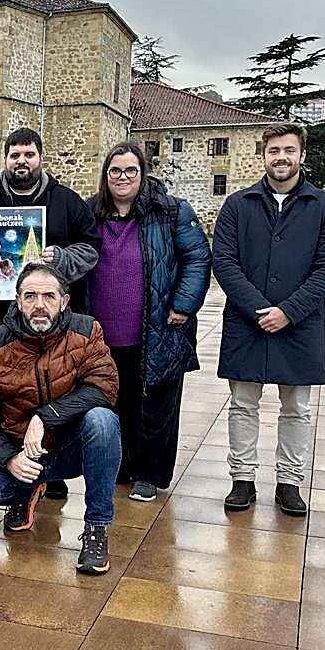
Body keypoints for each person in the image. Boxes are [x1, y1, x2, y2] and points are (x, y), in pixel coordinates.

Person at [0, 127, 101, 496]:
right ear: (6, 159)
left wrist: (62, 260)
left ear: (40, 157)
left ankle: (50, 471)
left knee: (49, 391)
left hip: (46, 325)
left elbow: (91, 247)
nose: (21, 161)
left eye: (28, 154)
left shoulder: (65, 201)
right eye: (15, 155)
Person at [213, 122, 325, 517]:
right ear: (263, 155)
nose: (282, 157)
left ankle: (289, 482)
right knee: (242, 404)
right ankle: (242, 478)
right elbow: (224, 261)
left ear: (302, 155)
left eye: (289, 150)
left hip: (300, 322)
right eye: (274, 151)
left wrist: (289, 311)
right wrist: (259, 309)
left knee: (297, 408)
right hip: (246, 319)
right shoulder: (238, 205)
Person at [0, 263, 120, 575]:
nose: (39, 305)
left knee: (103, 421)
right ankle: (28, 489)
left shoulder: (87, 331)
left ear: (64, 301)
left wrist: (45, 417)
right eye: (30, 296)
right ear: (17, 301)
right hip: (19, 449)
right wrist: (8, 460)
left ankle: (96, 529)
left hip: (71, 446)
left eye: (49, 296)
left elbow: (104, 387)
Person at [88, 142, 211, 502]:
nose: (122, 177)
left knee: (156, 405)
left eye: (130, 171)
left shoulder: (170, 211)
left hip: (159, 327)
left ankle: (149, 473)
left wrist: (184, 303)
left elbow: (198, 258)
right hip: (104, 332)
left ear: (142, 173)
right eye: (115, 171)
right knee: (115, 402)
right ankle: (122, 465)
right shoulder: (90, 214)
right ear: (105, 176)